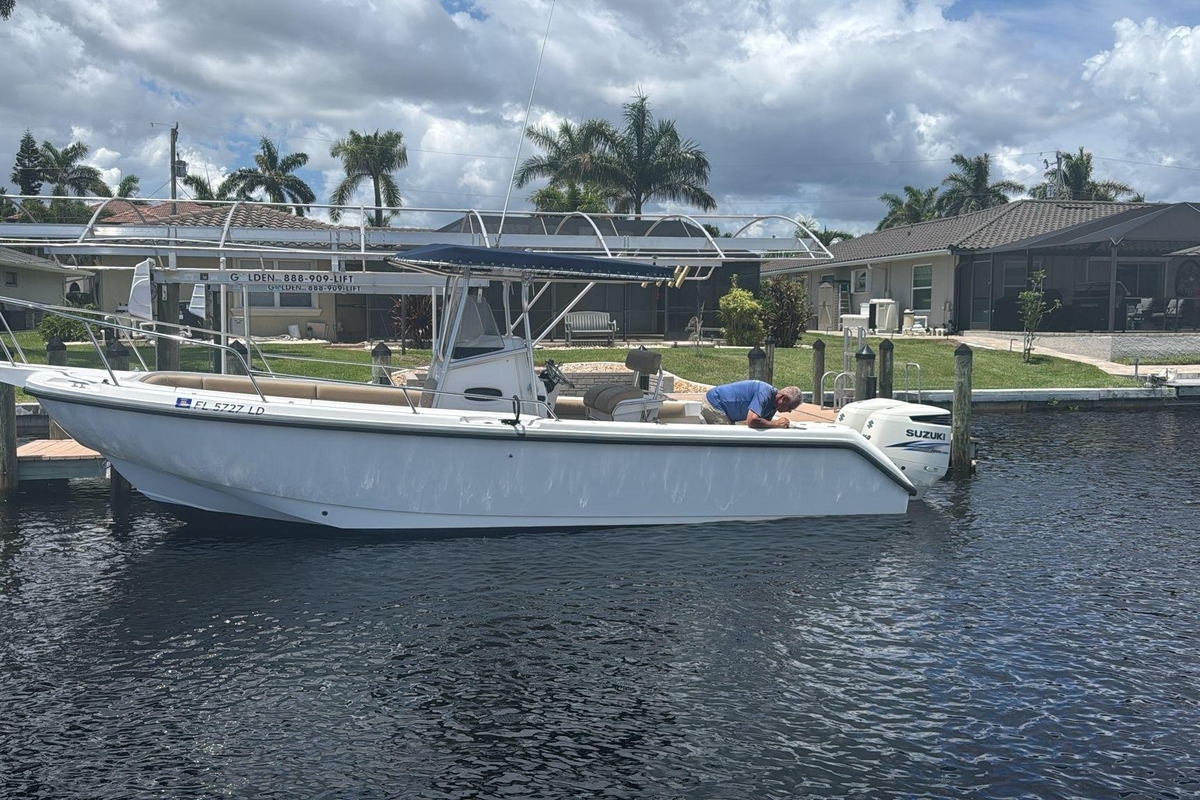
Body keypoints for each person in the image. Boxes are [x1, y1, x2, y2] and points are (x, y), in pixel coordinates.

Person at [700, 380, 801, 428]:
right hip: (714, 403)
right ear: (784, 399)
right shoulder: (764, 393)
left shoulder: (773, 406)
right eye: (790, 407)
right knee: (730, 437)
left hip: (724, 409)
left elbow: (763, 425)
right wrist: (777, 424)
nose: (789, 411)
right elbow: (752, 421)